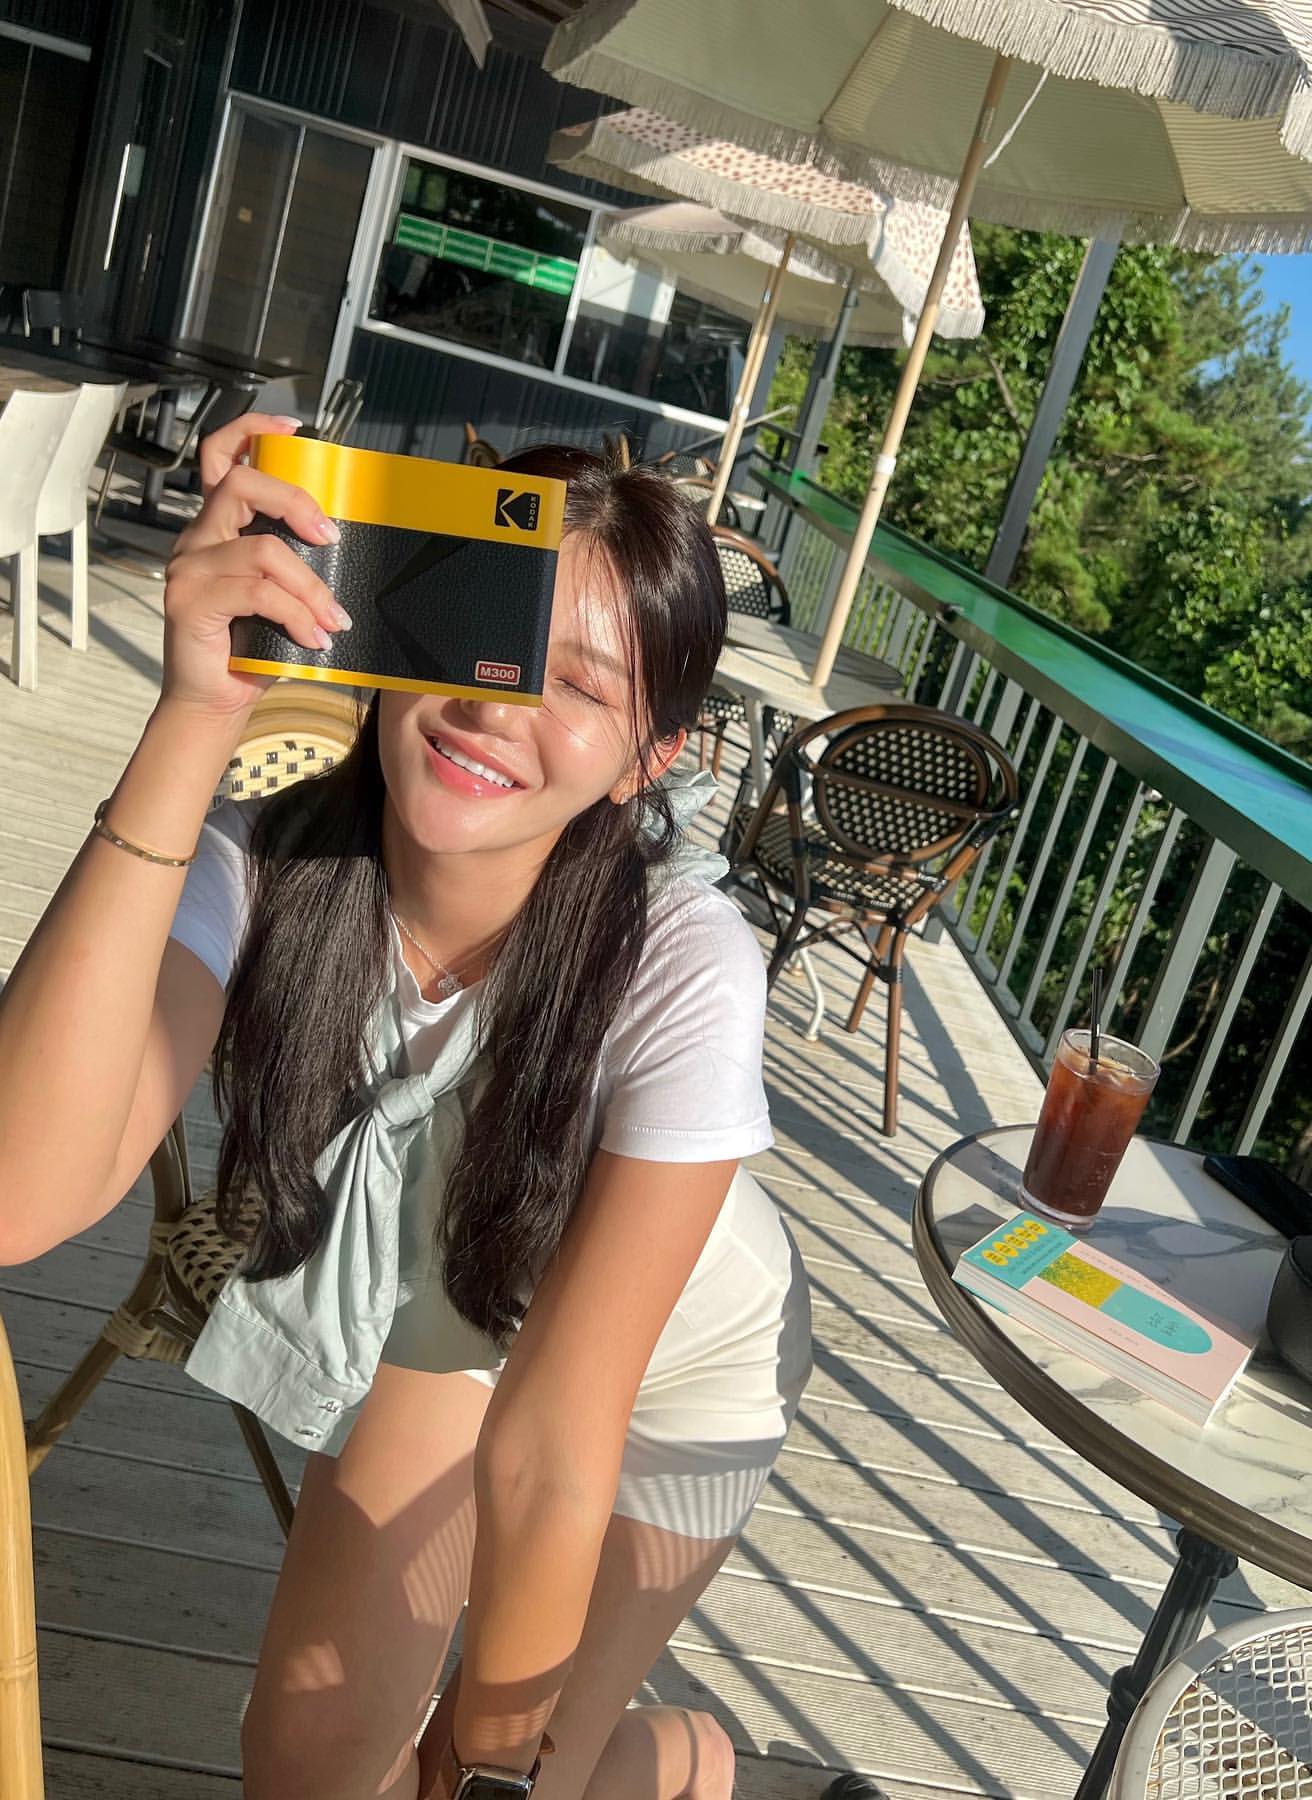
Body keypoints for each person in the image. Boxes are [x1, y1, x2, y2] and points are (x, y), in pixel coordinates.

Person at [0, 415, 812, 1800]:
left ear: (647, 760)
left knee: (512, 1771)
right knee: (310, 1768)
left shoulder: (678, 958)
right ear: (396, 626)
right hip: (453, 1311)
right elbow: (19, 1194)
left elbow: (561, 1429)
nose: (496, 709)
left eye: (580, 685)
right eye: (483, 638)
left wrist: (484, 1769)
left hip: (681, 1371)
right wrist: (195, 713)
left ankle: (681, 1759)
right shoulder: (272, 863)